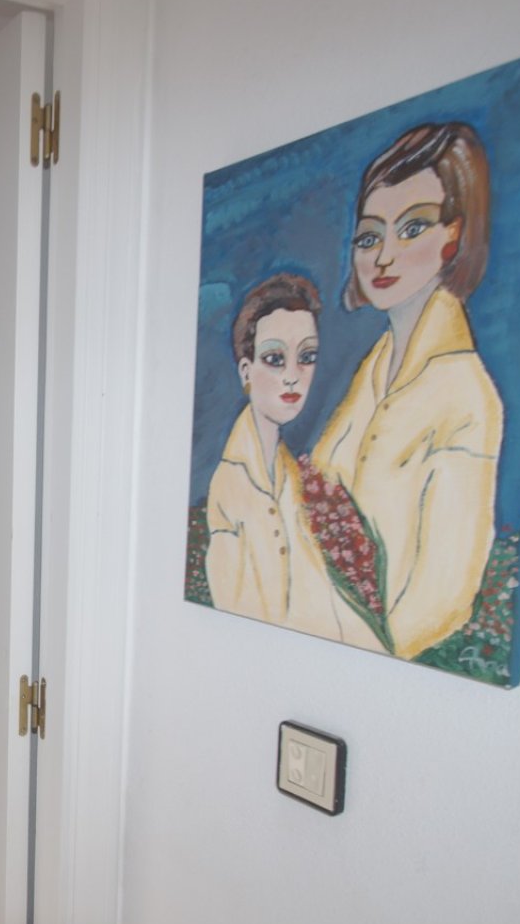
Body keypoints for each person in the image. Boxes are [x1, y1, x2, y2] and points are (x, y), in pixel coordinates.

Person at [312, 122, 503, 659]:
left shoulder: (465, 395)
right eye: (370, 237)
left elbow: (442, 600)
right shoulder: (373, 372)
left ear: (452, 236)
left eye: (412, 228)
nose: (383, 257)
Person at [205, 273, 381, 650]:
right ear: (246, 372)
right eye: (274, 359)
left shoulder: (291, 475)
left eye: (306, 358)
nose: (292, 377)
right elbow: (233, 620)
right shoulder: (233, 484)